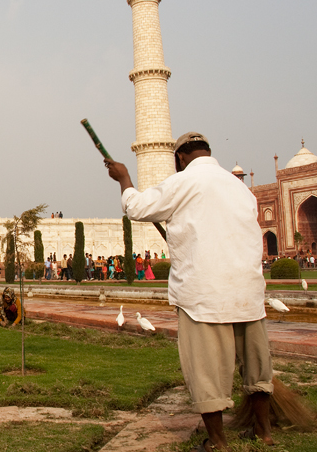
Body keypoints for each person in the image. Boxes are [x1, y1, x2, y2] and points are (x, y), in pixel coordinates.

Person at [105, 132, 274, 450]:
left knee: (206, 371)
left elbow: (138, 208)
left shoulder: (184, 182)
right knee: (257, 367)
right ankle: (264, 431)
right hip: (248, 291)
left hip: (204, 293)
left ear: (179, 158)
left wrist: (124, 178)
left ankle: (218, 442)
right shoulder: (240, 189)